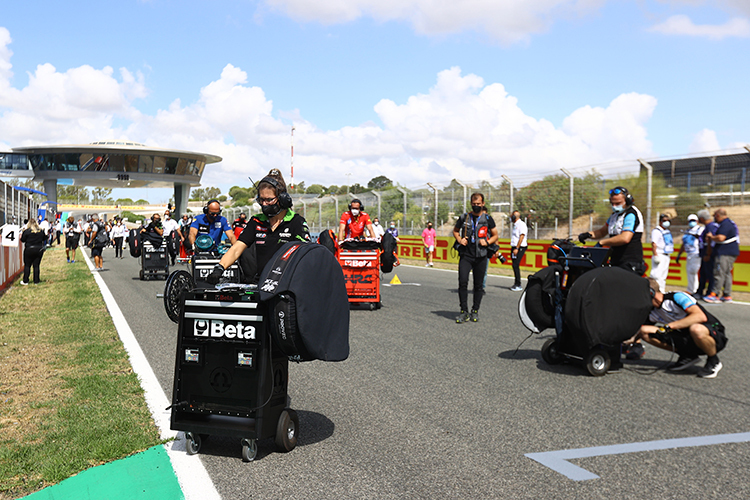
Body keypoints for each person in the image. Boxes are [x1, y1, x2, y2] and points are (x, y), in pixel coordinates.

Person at [207, 169, 310, 284]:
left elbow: (305, 256)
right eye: (261, 200)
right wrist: (220, 268)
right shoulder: (256, 221)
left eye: (269, 200)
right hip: (262, 283)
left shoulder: (296, 222)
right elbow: (237, 248)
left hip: (287, 284)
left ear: (283, 199)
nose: (264, 204)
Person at [635, 278, 727, 378]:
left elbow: (700, 316)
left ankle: (713, 360)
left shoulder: (676, 297)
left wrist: (669, 326)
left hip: (712, 333)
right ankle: (688, 356)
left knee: (696, 329)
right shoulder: (652, 311)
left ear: (651, 293)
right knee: (644, 331)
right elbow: (638, 330)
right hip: (688, 336)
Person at [452, 193, 499, 323]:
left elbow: (495, 235)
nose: (476, 206)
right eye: (474, 204)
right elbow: (455, 231)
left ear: (483, 204)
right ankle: (463, 311)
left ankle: (475, 311)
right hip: (466, 255)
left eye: (478, 204)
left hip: (481, 256)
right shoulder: (464, 217)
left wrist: (488, 242)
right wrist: (460, 239)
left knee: (478, 285)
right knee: (462, 282)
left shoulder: (488, 219)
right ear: (471, 203)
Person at [579, 186, 646, 275]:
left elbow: (625, 238)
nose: (614, 206)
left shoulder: (631, 214)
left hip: (630, 263)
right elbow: (602, 232)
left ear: (628, 201)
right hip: (616, 261)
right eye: (612, 203)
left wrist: (602, 243)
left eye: (617, 203)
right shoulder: (614, 216)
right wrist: (588, 235)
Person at [704, 209, 739, 303]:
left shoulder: (725, 224)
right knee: (727, 273)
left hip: (725, 252)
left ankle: (714, 294)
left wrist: (711, 237)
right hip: (729, 252)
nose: (714, 218)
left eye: (714, 216)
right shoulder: (728, 223)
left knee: (719, 272)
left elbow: (721, 237)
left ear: (718, 215)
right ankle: (727, 294)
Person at [673, 214, 702, 294]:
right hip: (689, 254)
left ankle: (694, 289)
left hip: (696, 253)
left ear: (697, 221)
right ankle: (690, 289)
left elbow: (702, 238)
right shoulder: (687, 231)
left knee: (693, 271)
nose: (692, 222)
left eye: (693, 220)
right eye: (690, 221)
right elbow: (684, 244)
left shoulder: (700, 229)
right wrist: (679, 254)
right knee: (689, 272)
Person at [650, 214, 674, 293]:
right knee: (656, 275)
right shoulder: (656, 231)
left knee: (663, 276)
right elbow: (654, 243)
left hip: (666, 255)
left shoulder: (666, 231)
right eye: (664, 221)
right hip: (659, 254)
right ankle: (654, 290)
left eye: (668, 221)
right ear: (660, 221)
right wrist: (655, 255)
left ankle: (662, 291)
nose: (666, 222)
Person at [696, 209, 717, 298]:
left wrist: (708, 254)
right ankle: (700, 291)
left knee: (710, 273)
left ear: (701, 218)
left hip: (708, 254)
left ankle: (710, 292)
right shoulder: (707, 227)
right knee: (703, 273)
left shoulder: (710, 227)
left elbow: (710, 242)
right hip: (705, 253)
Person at [20, 219, 46, 285]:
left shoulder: (26, 231)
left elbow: (22, 240)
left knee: (27, 265)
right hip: (39, 249)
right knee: (36, 265)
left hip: (29, 249)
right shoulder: (40, 231)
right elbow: (45, 237)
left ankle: (25, 281)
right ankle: (36, 281)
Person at [509, 210, 528, 291]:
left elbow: (522, 236)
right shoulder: (515, 225)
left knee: (516, 264)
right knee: (514, 264)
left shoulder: (521, 224)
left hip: (520, 247)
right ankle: (516, 283)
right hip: (514, 247)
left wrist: (517, 247)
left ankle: (518, 284)